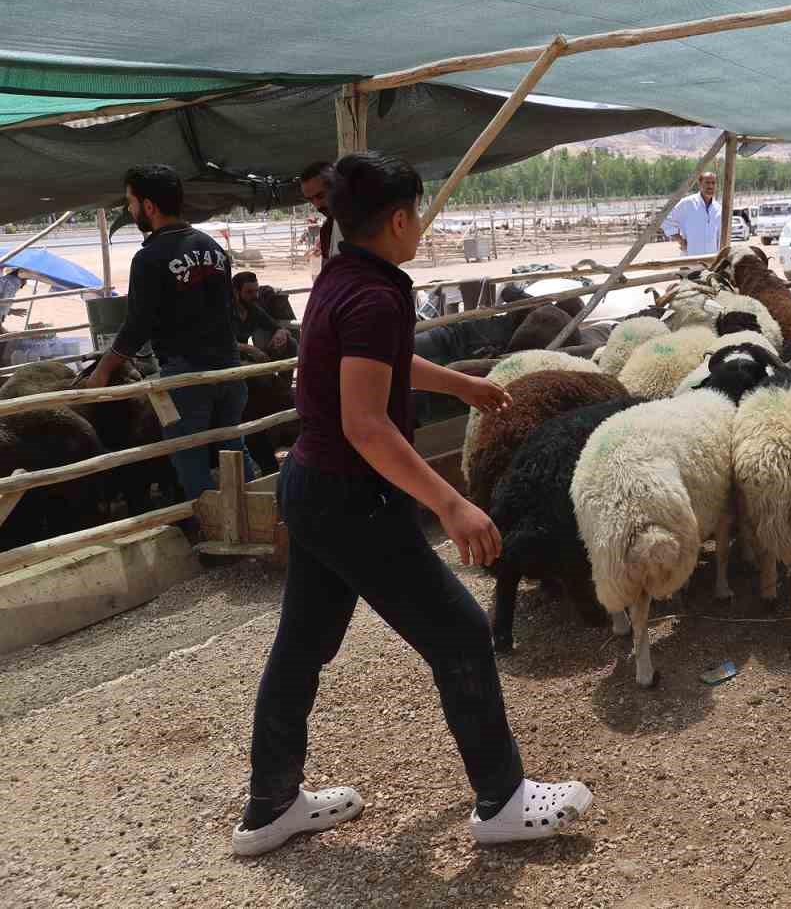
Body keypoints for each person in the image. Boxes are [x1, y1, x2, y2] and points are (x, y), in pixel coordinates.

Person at [233, 151, 592, 857]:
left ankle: (270, 802)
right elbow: (367, 424)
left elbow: (376, 359)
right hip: (350, 494)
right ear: (399, 219)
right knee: (459, 632)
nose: (422, 224)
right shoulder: (371, 294)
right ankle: (503, 798)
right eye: (419, 212)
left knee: (302, 644)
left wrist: (459, 384)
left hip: (308, 482)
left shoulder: (341, 277)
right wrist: (452, 503)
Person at [84, 165, 254, 499]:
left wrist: (102, 371)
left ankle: (212, 528)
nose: (130, 211)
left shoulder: (149, 258)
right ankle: (260, 516)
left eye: (131, 202)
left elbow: (136, 327)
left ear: (149, 206)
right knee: (234, 444)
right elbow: (225, 311)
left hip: (186, 375)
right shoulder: (213, 247)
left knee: (189, 455)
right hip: (229, 367)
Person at [232, 271, 296, 357]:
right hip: (225, 360)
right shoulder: (225, 312)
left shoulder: (253, 310)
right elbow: (220, 343)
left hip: (244, 356)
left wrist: (281, 333)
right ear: (236, 292)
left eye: (256, 291)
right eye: (249, 292)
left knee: (290, 343)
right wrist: (251, 349)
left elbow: (276, 327)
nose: (255, 296)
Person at [661, 171, 721, 256]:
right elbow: (665, 219)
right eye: (707, 183)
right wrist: (681, 241)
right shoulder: (687, 203)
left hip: (711, 263)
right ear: (699, 184)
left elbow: (720, 237)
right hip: (690, 261)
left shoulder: (718, 208)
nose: (710, 186)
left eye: (713, 183)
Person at [300, 160, 342, 274]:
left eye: (321, 196)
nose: (317, 205)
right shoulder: (326, 230)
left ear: (337, 187)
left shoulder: (366, 225)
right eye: (310, 200)